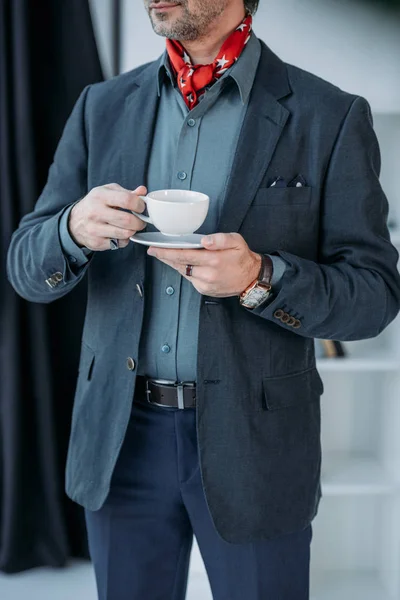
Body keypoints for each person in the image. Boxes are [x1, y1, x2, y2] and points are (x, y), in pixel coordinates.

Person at [6, 0, 400, 598]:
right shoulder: (102, 107)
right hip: (120, 442)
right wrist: (70, 230)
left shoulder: (330, 115)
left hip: (258, 449)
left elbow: (375, 294)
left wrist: (260, 278)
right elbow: (25, 266)